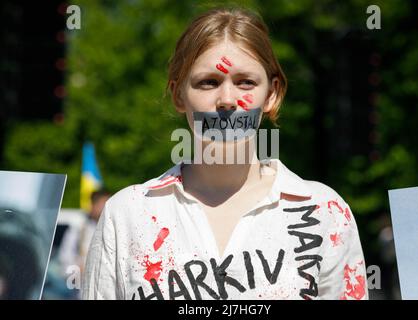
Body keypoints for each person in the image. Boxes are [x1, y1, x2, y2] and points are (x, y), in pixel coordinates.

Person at [82, 7, 368, 300]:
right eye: (208, 82)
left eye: (246, 82)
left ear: (272, 93)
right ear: (179, 94)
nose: (227, 100)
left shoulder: (325, 213)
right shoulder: (128, 215)